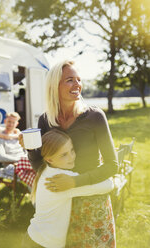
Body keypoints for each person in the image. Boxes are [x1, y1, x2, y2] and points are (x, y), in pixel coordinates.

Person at [20, 60, 118, 247]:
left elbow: (112, 165)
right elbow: (42, 166)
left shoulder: (95, 116)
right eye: (70, 80)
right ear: (54, 85)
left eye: (79, 80)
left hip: (92, 201)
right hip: (62, 208)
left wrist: (74, 182)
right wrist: (30, 149)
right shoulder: (46, 120)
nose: (77, 85)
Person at [23, 129, 119, 248]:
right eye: (64, 155)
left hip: (36, 238)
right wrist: (116, 180)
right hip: (43, 244)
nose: (71, 157)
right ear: (49, 159)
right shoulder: (60, 180)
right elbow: (107, 185)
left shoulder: (47, 170)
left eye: (72, 150)